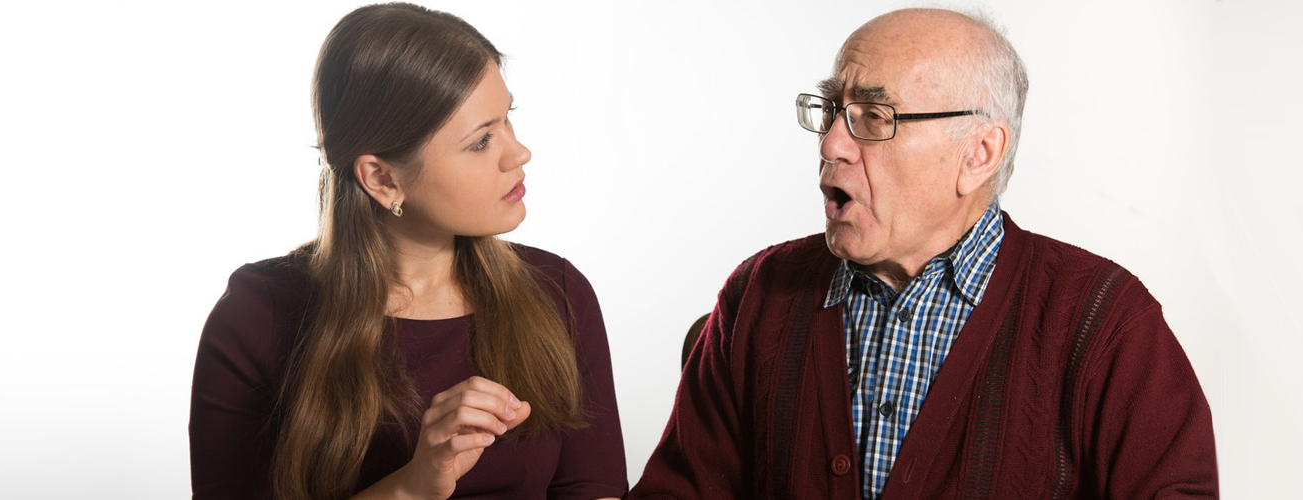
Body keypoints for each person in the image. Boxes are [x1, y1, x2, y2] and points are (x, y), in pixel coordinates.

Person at [629, 8, 1216, 500]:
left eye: (873, 118)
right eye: (832, 111)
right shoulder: (761, 292)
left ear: (979, 154)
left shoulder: (1103, 320)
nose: (832, 142)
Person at [189, 4, 627, 500]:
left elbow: (595, 489)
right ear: (382, 178)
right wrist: (413, 488)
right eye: (482, 141)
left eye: (507, 120)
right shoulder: (257, 315)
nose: (518, 153)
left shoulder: (558, 291)